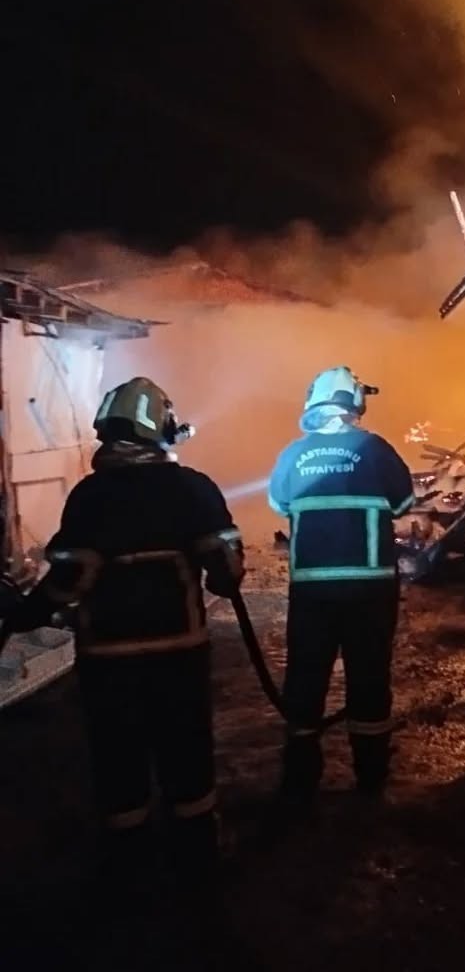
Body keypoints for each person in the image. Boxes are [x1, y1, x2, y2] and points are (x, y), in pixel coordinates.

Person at [5, 377, 245, 893]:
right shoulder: (192, 488)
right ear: (160, 425)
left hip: (106, 660)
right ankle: (197, 856)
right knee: (186, 751)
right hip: (178, 654)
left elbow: (67, 579)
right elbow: (225, 571)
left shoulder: (89, 496)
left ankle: (129, 863)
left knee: (118, 756)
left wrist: (25, 615)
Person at [269, 365, 413, 804]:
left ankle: (300, 779)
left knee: (305, 680)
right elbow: (403, 502)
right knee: (369, 680)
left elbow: (279, 503)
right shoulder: (375, 449)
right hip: (370, 590)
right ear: (355, 402)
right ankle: (370, 777)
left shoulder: (293, 454)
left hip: (312, 591)